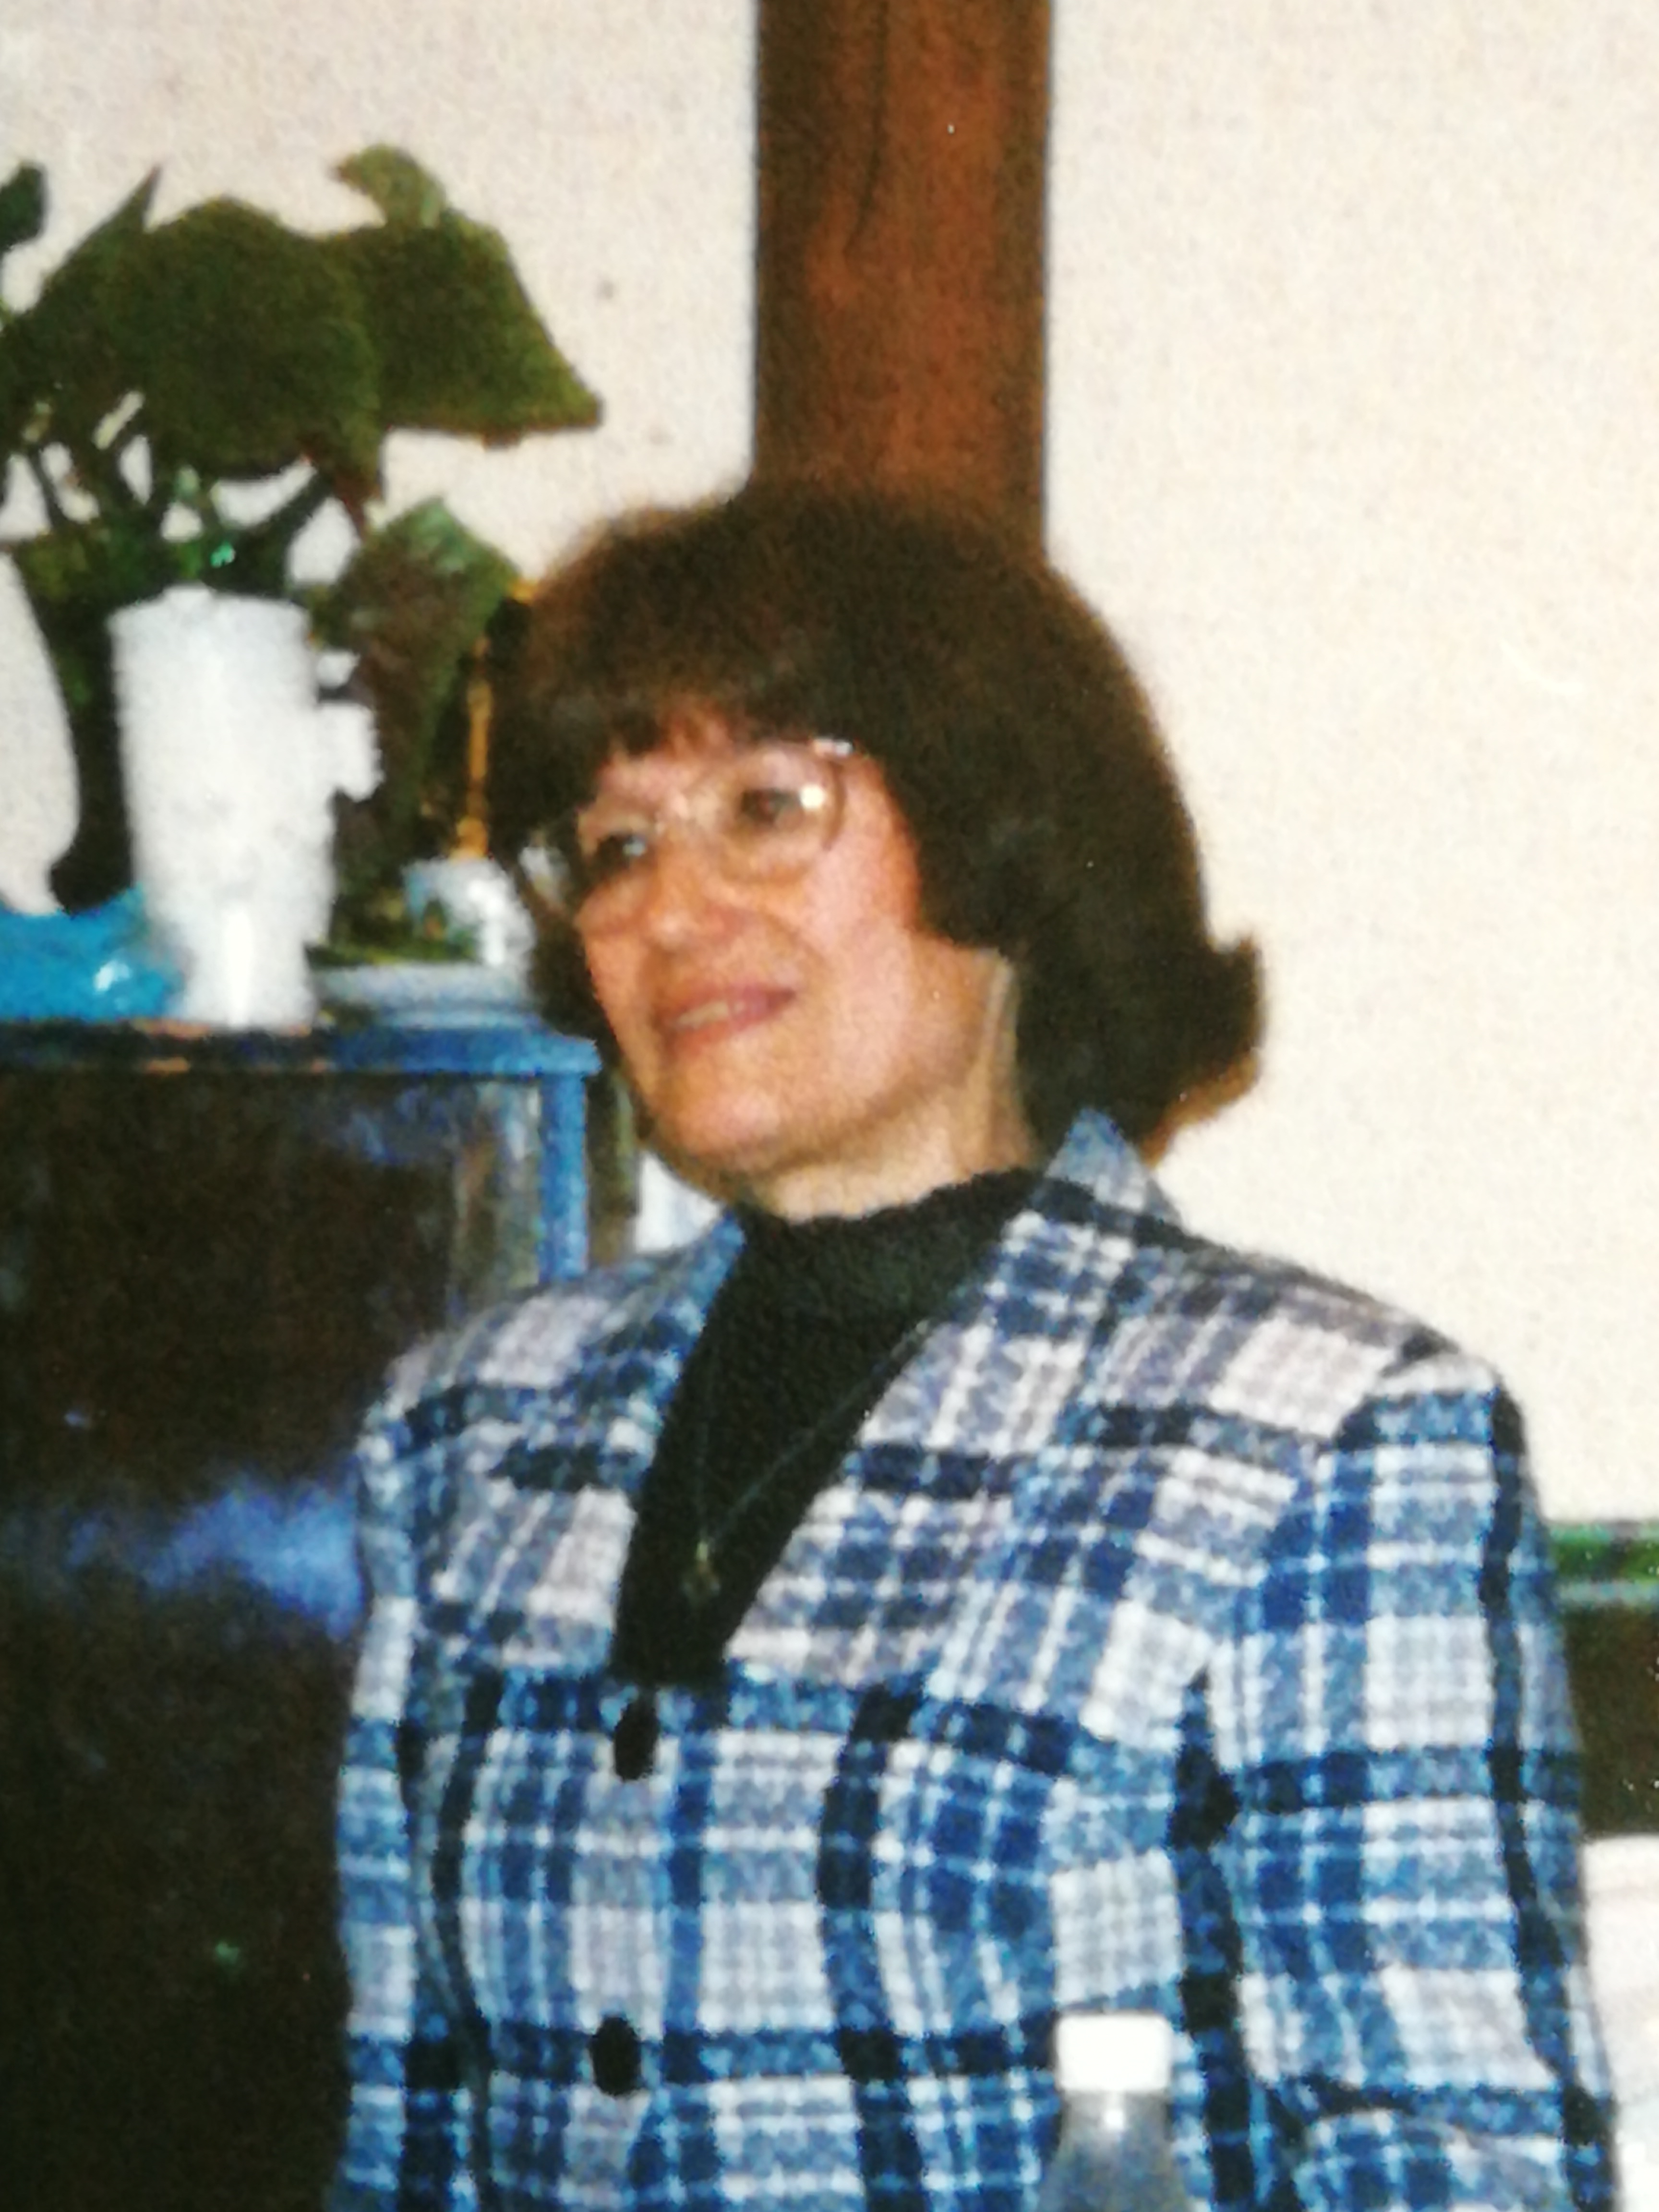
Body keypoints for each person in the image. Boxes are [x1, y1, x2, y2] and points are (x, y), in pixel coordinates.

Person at [330, 483, 1613, 2211]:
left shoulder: (1334, 1435)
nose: (665, 911)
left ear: (1005, 836)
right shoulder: (466, 1431)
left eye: (765, 808)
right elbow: (407, 2149)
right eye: (614, 847)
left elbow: (1461, 2173)